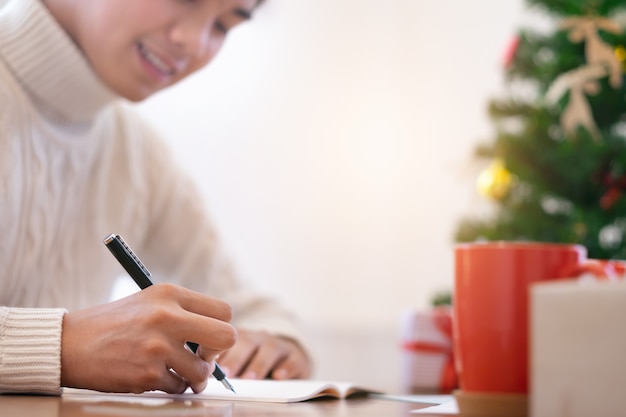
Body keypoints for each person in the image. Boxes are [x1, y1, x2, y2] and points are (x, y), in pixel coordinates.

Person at [0, 0, 312, 395]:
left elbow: (251, 310)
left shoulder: (136, 151)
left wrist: (277, 346)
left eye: (223, 25)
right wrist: (61, 347)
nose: (194, 43)